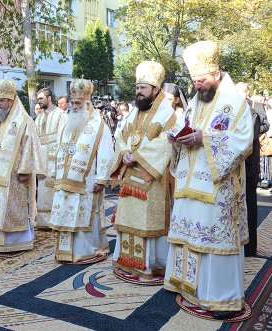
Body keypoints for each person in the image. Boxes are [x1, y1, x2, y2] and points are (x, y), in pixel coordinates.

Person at [164, 40, 253, 319]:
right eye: (193, 80)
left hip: (218, 189)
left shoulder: (235, 102)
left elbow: (243, 141)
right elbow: (185, 126)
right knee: (190, 236)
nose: (197, 85)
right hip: (190, 186)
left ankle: (220, 298)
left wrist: (206, 138)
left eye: (201, 80)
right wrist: (176, 137)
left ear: (215, 74)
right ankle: (192, 289)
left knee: (214, 242)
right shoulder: (195, 103)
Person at [109, 61, 176, 282]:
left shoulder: (168, 114)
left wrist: (136, 156)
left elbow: (166, 143)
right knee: (129, 218)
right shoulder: (133, 113)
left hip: (151, 179)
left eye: (143, 88)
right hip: (130, 176)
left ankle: (151, 265)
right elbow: (121, 135)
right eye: (137, 88)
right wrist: (125, 152)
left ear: (156, 90)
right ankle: (127, 261)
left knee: (148, 221)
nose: (138, 92)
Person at [0, 79, 45, 257]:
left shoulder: (24, 121)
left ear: (11, 100)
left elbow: (31, 147)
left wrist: (26, 170)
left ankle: (16, 243)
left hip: (14, 176)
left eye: (2, 100)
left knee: (11, 209)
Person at [49, 79, 114, 263]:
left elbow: (106, 153)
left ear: (88, 103)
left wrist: (101, 179)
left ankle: (88, 250)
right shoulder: (66, 124)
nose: (74, 107)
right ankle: (65, 252)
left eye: (78, 103)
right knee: (66, 213)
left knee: (86, 216)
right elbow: (60, 148)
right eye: (73, 103)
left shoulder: (99, 125)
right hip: (65, 180)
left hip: (87, 181)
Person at [236, 82, 269, 257]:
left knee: (249, 204)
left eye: (241, 92)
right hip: (237, 164)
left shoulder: (254, 108)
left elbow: (265, 125)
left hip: (249, 164)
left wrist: (254, 134)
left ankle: (250, 247)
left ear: (246, 93)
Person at [34, 87, 66, 229]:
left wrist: (59, 160)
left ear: (49, 98)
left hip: (55, 159)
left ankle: (56, 221)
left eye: (41, 98)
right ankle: (43, 222)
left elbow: (63, 138)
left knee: (54, 191)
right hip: (42, 160)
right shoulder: (39, 118)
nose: (38, 101)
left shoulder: (61, 115)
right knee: (42, 190)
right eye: (37, 98)